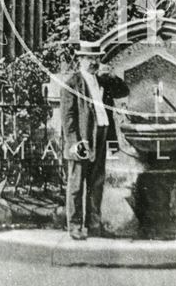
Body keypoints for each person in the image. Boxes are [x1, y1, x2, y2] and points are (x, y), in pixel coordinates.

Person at [61, 57, 129, 240]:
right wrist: (75, 142)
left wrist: (112, 76)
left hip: (101, 135)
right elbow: (68, 116)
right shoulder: (72, 83)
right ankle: (75, 226)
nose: (93, 62)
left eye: (96, 58)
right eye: (89, 58)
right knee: (76, 184)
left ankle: (94, 225)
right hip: (82, 140)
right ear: (80, 59)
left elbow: (123, 91)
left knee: (96, 183)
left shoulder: (102, 80)